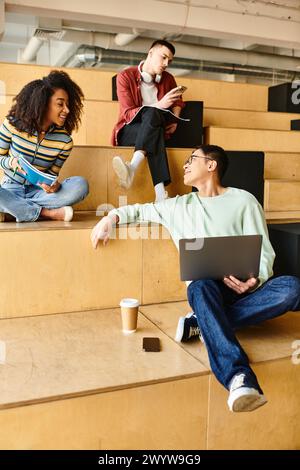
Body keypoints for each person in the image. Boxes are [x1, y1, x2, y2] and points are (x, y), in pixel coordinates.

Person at [90, 144, 300, 413]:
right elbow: (139, 210)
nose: (186, 165)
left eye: (192, 160)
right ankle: (239, 377)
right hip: (207, 289)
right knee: (200, 285)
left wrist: (255, 279)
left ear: (211, 165)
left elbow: (264, 252)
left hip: (247, 289)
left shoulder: (245, 201)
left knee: (292, 288)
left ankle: (204, 321)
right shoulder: (177, 206)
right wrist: (111, 217)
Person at [0, 70, 89, 223]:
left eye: (68, 105)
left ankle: (14, 211)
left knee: (80, 185)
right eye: (60, 104)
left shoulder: (64, 141)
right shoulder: (12, 124)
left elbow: (52, 176)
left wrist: (53, 186)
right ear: (43, 102)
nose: (66, 110)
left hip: (39, 194)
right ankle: (47, 214)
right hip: (10, 189)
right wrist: (10, 163)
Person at [111, 39, 185, 202]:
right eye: (163, 57)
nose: (166, 63)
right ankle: (160, 193)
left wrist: (176, 119)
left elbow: (178, 100)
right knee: (153, 114)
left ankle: (135, 172)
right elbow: (128, 113)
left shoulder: (168, 79)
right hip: (128, 130)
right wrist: (159, 105)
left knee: (155, 126)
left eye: (169, 61)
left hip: (153, 130)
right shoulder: (125, 76)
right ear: (150, 53)